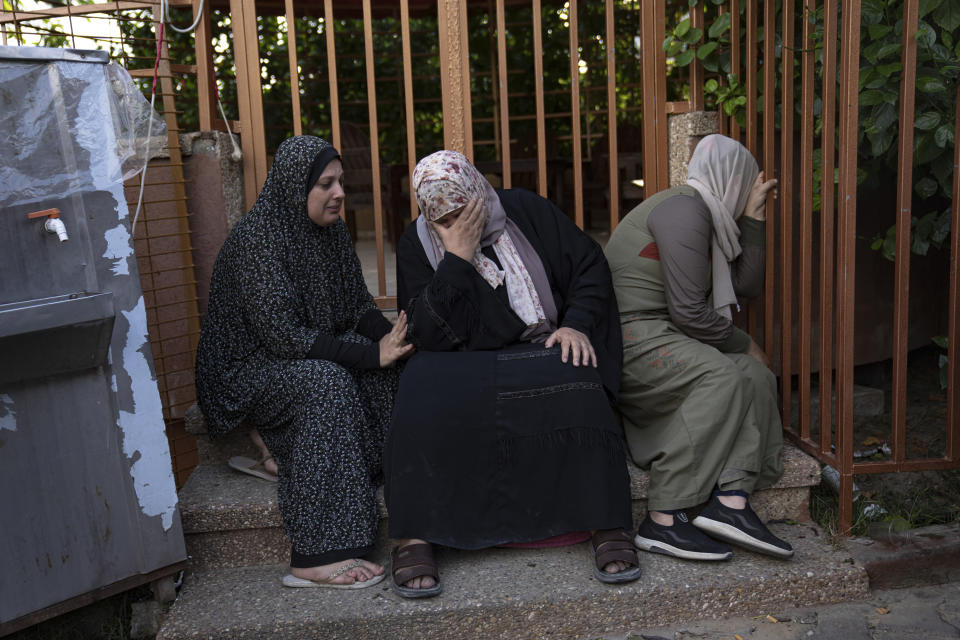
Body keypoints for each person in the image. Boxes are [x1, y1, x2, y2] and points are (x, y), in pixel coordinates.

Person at [384, 150, 640, 598]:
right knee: (418, 389)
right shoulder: (417, 242)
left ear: (478, 191)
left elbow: (589, 267)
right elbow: (425, 329)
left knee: (578, 378)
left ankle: (606, 520)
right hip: (459, 357)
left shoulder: (525, 211)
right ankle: (415, 536)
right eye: (443, 217)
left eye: (463, 211)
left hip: (541, 343)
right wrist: (457, 260)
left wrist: (576, 323)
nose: (456, 223)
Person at [195, 135, 413, 589]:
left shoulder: (330, 230)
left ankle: (288, 451)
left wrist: (394, 340)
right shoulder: (257, 241)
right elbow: (284, 337)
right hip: (246, 370)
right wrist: (371, 353)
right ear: (297, 188)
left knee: (386, 375)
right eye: (326, 184)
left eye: (341, 183)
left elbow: (356, 306)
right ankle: (316, 557)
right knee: (327, 383)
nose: (339, 194)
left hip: (298, 352)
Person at [604, 134, 791, 562]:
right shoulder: (683, 208)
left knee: (755, 375)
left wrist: (754, 217)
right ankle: (663, 518)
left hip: (668, 333)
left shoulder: (709, 217)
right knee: (724, 372)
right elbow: (690, 310)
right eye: (746, 184)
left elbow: (746, 286)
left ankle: (732, 501)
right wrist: (748, 343)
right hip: (634, 335)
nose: (746, 192)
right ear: (731, 178)